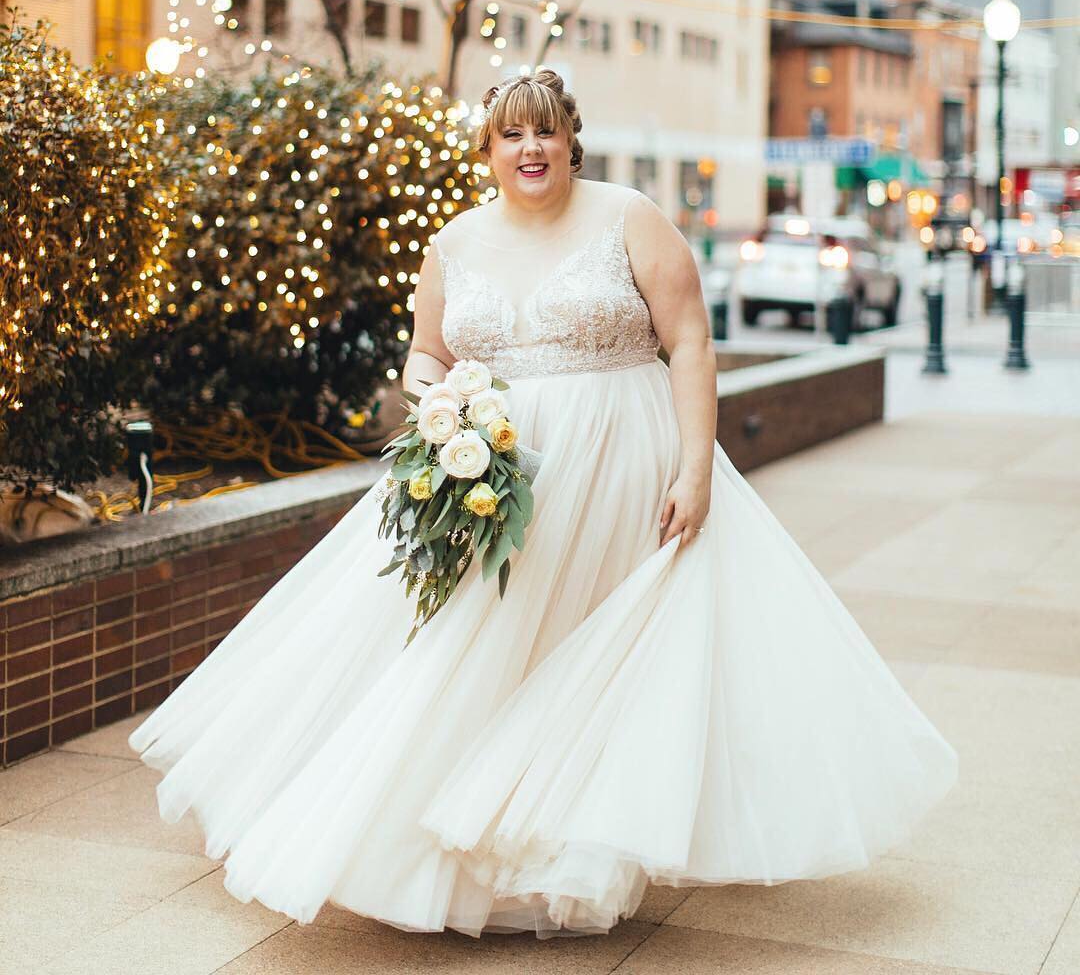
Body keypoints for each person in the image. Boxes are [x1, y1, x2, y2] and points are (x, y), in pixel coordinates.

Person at [130, 70, 958, 939]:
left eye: (546, 133)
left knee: (596, 649)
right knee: (486, 647)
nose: (531, 149)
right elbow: (424, 354)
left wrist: (696, 470)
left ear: (570, 141)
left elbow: (689, 343)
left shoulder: (628, 217)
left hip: (626, 464)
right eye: (512, 136)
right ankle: (471, 846)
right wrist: (440, 407)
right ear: (486, 152)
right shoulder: (453, 242)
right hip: (500, 472)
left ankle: (572, 845)